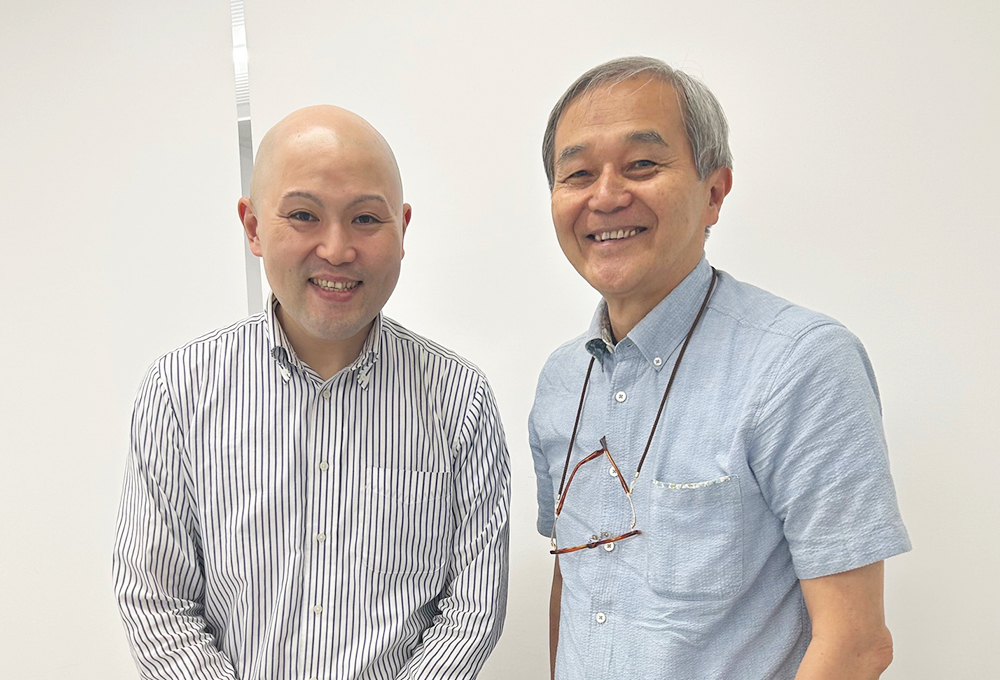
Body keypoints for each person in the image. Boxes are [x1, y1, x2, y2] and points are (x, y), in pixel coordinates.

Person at [529, 57, 910, 679]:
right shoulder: (561, 379)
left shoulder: (801, 362)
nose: (606, 196)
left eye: (642, 164)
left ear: (714, 192)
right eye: (577, 173)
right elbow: (572, 578)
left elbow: (858, 643)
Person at [114, 105, 510, 680]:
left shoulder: (460, 401)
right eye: (303, 215)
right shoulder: (179, 391)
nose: (337, 249)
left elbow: (472, 611)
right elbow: (155, 601)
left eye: (366, 219)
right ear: (253, 227)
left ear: (402, 229)